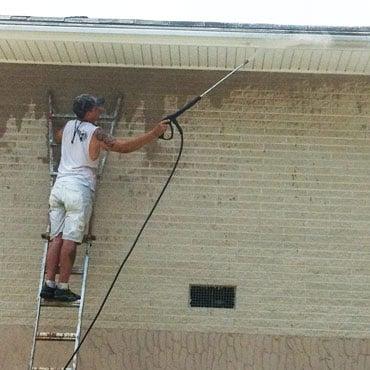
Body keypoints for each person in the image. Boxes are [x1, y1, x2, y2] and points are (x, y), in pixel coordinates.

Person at [40, 94, 168, 302]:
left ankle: (48, 284)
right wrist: (154, 133)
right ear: (89, 111)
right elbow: (123, 147)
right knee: (71, 240)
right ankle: (63, 287)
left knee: (56, 238)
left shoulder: (68, 127)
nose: (101, 112)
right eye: (97, 109)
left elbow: (57, 136)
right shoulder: (96, 133)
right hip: (78, 189)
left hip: (59, 187)